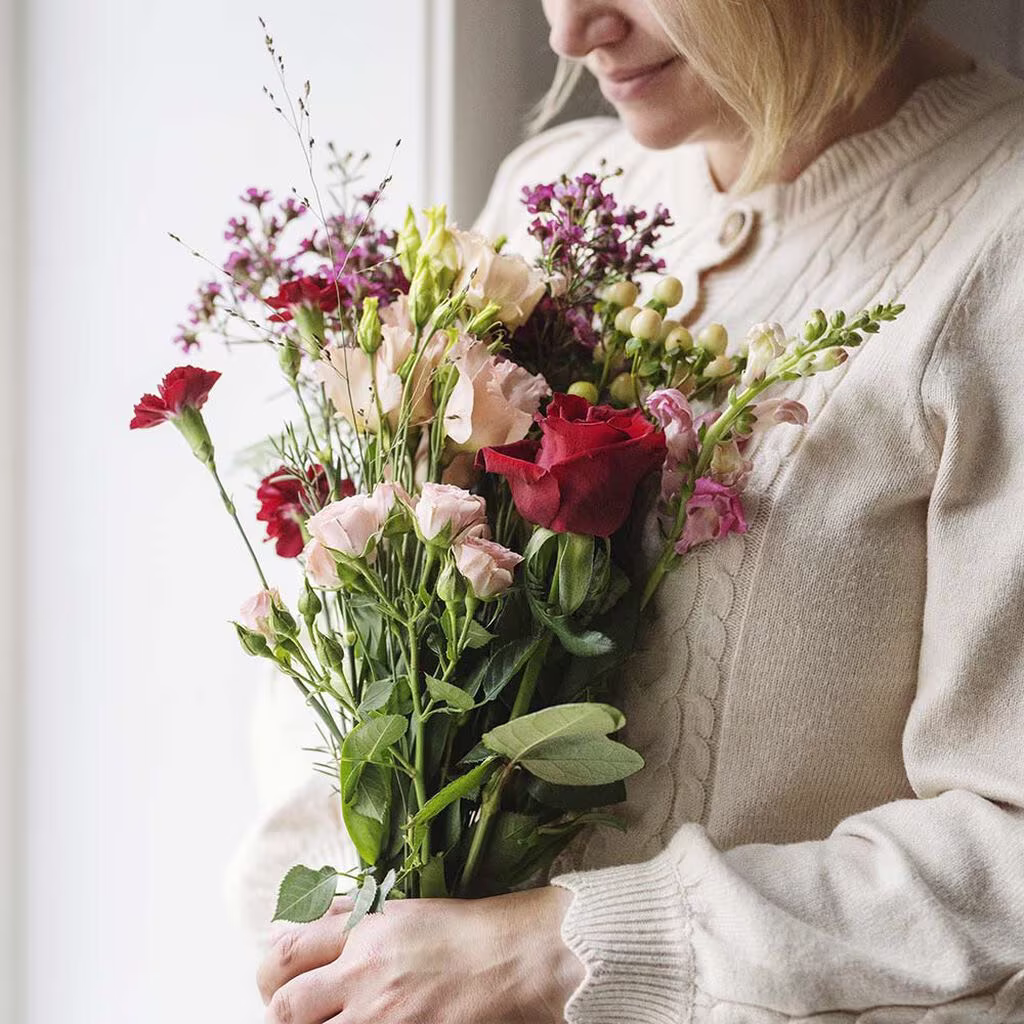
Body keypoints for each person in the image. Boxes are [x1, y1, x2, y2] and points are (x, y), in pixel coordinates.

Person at [232, 2, 1024, 1020]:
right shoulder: (555, 192)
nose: (570, 31)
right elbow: (374, 650)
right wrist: (327, 939)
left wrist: (563, 947)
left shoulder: (997, 248)